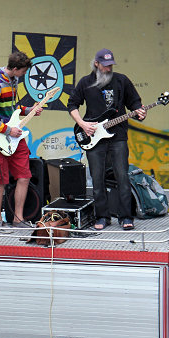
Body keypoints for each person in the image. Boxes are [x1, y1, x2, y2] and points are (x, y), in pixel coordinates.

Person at [67, 48, 146, 231]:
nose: (108, 69)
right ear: (96, 64)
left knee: (122, 176)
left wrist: (140, 111)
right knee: (97, 178)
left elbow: (134, 102)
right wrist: (83, 124)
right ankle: (102, 217)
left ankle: (126, 217)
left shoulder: (122, 80)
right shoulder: (86, 82)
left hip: (118, 136)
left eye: (111, 65)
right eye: (105, 65)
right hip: (93, 136)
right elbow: (72, 104)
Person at [0, 51, 43, 228]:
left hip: (15, 138)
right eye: (23, 71)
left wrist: (30, 109)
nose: (24, 74)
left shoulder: (13, 81)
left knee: (24, 177)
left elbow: (13, 108)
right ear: (15, 68)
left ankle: (18, 218)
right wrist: (8, 131)